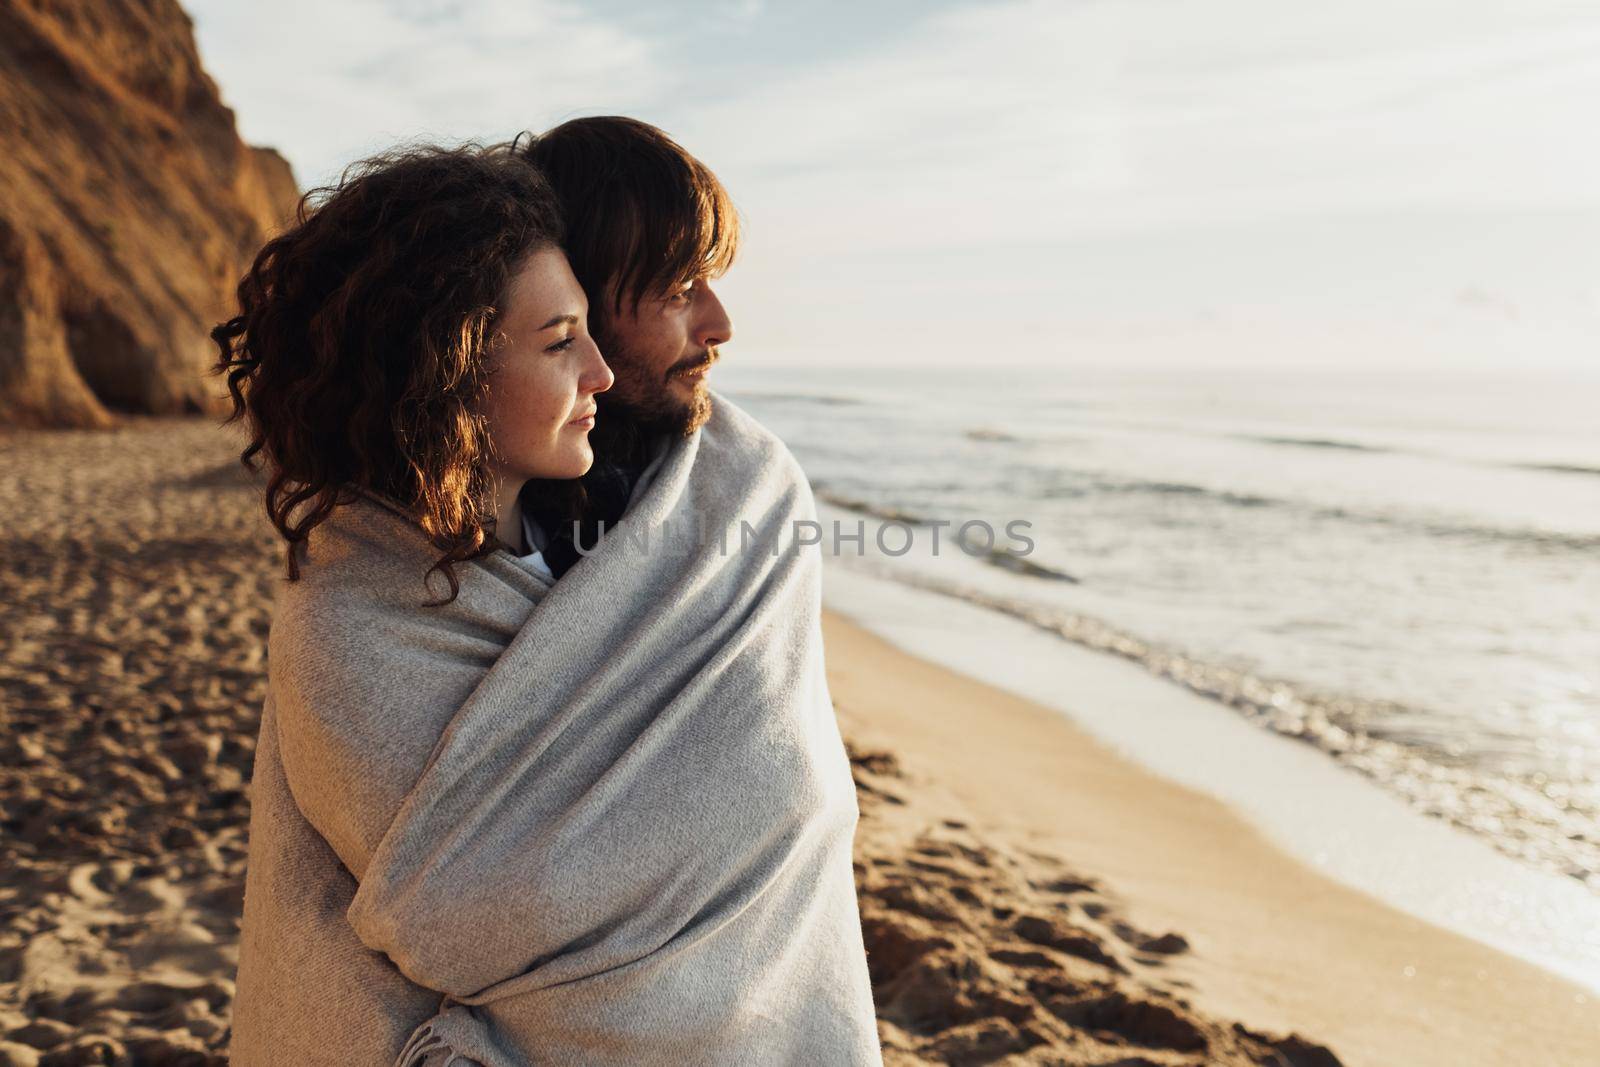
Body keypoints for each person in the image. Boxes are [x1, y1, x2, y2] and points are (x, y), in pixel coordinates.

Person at [217, 143, 613, 1060]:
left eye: (589, 331)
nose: (599, 371)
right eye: (559, 343)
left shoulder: (589, 561)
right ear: (446, 373)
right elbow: (476, 922)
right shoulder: (346, 627)